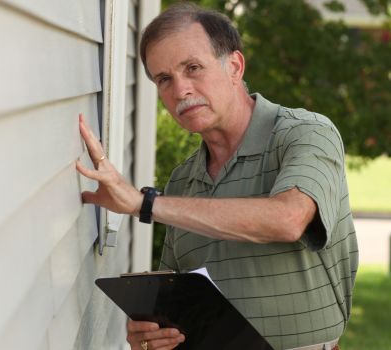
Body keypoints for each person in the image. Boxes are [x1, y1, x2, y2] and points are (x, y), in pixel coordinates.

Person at [76, 3, 358, 350]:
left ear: (234, 66)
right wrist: (150, 336)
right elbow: (173, 305)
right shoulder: (183, 182)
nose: (180, 90)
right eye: (164, 79)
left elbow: (289, 219)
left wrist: (143, 203)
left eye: (193, 68)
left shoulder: (305, 133)